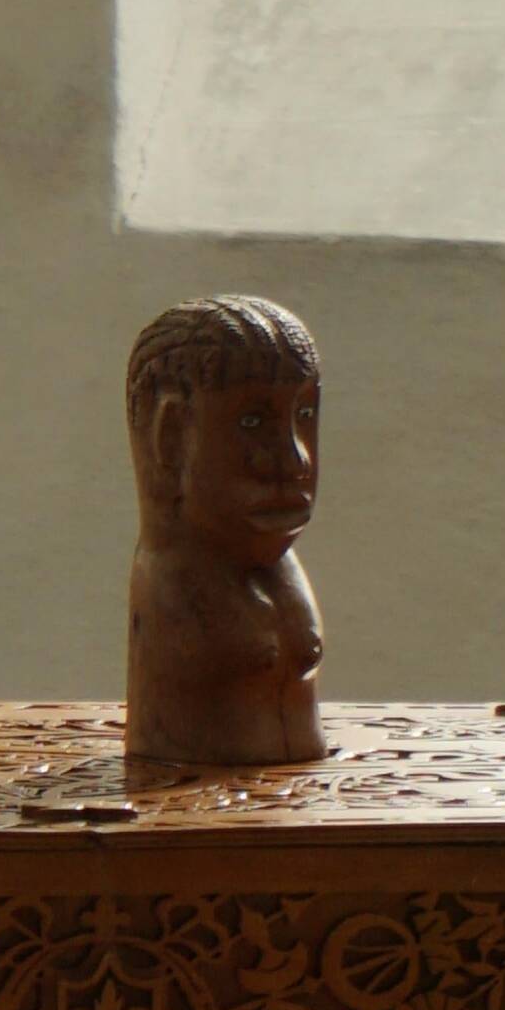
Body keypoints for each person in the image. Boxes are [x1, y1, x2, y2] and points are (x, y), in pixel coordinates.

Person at [124, 294, 326, 766]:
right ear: (170, 436)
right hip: (182, 819)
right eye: (252, 421)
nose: (296, 460)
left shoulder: (275, 565)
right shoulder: (170, 580)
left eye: (306, 415)